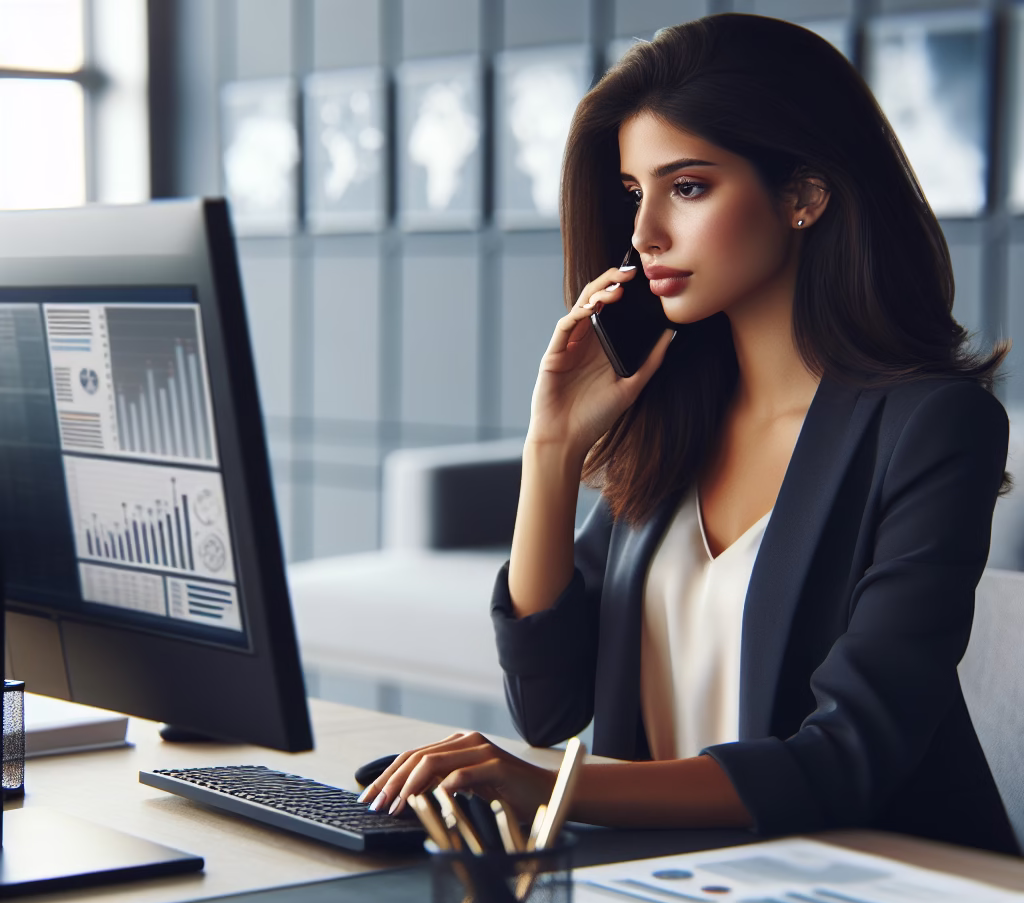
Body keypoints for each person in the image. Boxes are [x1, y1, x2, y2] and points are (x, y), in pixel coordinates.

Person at [358, 14, 1018, 854]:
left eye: (690, 187)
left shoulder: (931, 426)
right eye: (636, 192)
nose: (643, 235)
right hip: (668, 882)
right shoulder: (676, 415)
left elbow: (851, 757)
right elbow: (549, 703)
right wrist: (552, 447)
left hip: (879, 892)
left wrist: (556, 787)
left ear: (804, 195)